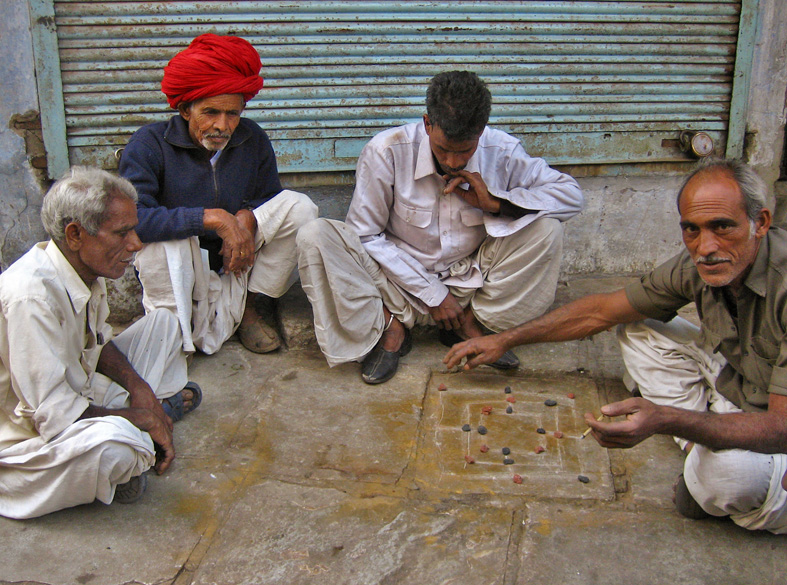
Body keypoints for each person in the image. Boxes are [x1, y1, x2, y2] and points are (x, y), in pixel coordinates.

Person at [444, 158, 787, 534]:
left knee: (730, 478)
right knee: (637, 329)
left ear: (762, 223)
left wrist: (665, 419)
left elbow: (779, 427)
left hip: (778, 424)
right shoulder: (699, 265)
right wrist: (503, 339)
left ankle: (729, 474)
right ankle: (698, 448)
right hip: (739, 380)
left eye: (722, 227)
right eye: (692, 230)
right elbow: (601, 312)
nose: (705, 247)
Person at [297, 71, 583, 384]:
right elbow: (365, 235)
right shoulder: (386, 150)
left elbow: (571, 196)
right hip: (396, 285)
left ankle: (469, 326)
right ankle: (390, 327)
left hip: (467, 284)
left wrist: (495, 203)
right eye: (444, 148)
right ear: (427, 124)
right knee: (316, 236)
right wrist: (432, 295)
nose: (454, 161)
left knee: (546, 230)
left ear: (481, 131)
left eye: (465, 150)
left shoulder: (501, 150)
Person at [0, 167, 199, 519]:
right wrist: (138, 418)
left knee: (165, 325)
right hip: (25, 439)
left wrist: (139, 389)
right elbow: (52, 416)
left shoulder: (83, 269)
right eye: (122, 233)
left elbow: (99, 342)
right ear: (75, 235)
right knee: (117, 447)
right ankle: (138, 438)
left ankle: (147, 417)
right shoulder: (30, 297)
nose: (136, 243)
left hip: (79, 389)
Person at [119, 34, 318, 355]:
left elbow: (270, 197)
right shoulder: (149, 143)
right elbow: (134, 219)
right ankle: (171, 329)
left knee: (301, 209)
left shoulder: (251, 137)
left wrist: (246, 218)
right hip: (183, 256)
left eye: (233, 114)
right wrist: (212, 220)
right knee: (153, 247)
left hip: (236, 256)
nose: (222, 126)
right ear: (186, 109)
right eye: (210, 112)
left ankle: (248, 310)